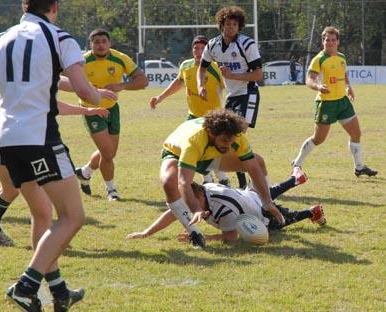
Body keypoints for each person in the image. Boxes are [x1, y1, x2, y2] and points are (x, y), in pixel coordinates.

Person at [0, 0, 103, 312]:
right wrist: (100, 97)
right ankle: (26, 285)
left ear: (24, 5)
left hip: (7, 139)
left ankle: (59, 291)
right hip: (40, 137)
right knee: (72, 217)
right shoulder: (59, 36)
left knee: (44, 214)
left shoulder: (1, 37)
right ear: (53, 7)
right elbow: (84, 90)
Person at [0, 99, 110, 247]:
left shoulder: (45, 84)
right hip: (1, 133)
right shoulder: (39, 83)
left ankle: (44, 234)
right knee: (11, 190)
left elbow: (55, 102)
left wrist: (88, 109)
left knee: (43, 184)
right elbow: (55, 102)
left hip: (28, 135)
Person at [158, 109, 285, 249]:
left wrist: (267, 201)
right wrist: (196, 209)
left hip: (208, 154)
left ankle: (265, 208)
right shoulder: (194, 141)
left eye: (231, 141)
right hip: (176, 153)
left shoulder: (234, 137)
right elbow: (183, 182)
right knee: (169, 181)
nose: (229, 145)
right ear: (212, 134)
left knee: (258, 162)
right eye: (225, 140)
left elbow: (253, 167)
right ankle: (194, 233)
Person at [126, 169, 325, 242]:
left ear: (197, 194)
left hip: (259, 216)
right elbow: (173, 212)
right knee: (266, 194)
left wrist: (205, 237)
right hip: (248, 194)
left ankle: (311, 211)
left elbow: (231, 238)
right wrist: (146, 233)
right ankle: (294, 180)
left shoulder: (222, 209)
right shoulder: (201, 191)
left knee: (279, 223)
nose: (191, 210)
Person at [292, 26, 377, 177]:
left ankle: (359, 167)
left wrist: (348, 86)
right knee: (318, 139)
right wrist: (318, 86)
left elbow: (343, 74)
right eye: (327, 40)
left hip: (342, 102)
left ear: (337, 41)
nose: (330, 43)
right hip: (326, 104)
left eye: (333, 40)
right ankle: (297, 163)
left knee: (356, 133)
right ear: (322, 41)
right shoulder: (319, 59)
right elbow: (309, 80)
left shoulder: (342, 57)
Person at [74, 28, 149, 201]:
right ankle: (111, 190)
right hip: (91, 110)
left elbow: (143, 80)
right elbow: (69, 81)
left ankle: (85, 172)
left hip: (112, 109)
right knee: (107, 153)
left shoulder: (120, 58)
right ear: (90, 44)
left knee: (109, 152)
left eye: (104, 41)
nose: (100, 45)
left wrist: (121, 86)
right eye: (96, 42)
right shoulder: (82, 62)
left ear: (109, 43)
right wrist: (95, 92)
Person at [197, 6, 263, 189]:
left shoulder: (247, 44)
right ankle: (242, 181)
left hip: (248, 94)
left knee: (236, 135)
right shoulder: (213, 45)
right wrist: (201, 85)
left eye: (234, 24)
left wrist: (234, 76)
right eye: (227, 23)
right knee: (224, 136)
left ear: (239, 26)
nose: (230, 27)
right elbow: (202, 67)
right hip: (232, 96)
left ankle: (247, 181)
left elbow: (258, 74)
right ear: (222, 24)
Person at [150, 35, 227, 184]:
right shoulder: (186, 65)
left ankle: (222, 178)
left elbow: (228, 88)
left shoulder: (216, 68)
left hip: (213, 117)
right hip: (193, 117)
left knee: (211, 148)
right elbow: (178, 83)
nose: (198, 52)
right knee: (188, 147)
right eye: (195, 48)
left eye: (202, 49)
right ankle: (208, 178)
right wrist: (160, 97)